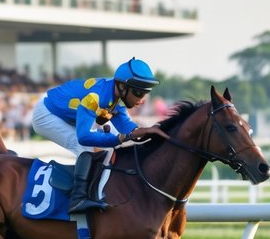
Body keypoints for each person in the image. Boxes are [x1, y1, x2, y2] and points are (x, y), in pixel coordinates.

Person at [31, 57, 169, 212]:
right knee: (87, 147)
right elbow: (83, 137)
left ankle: (100, 191)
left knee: (110, 144)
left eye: (146, 93)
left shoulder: (116, 97)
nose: (142, 100)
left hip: (68, 116)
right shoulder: (95, 97)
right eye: (139, 93)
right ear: (122, 86)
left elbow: (128, 130)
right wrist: (118, 138)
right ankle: (77, 199)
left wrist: (148, 131)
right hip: (46, 114)